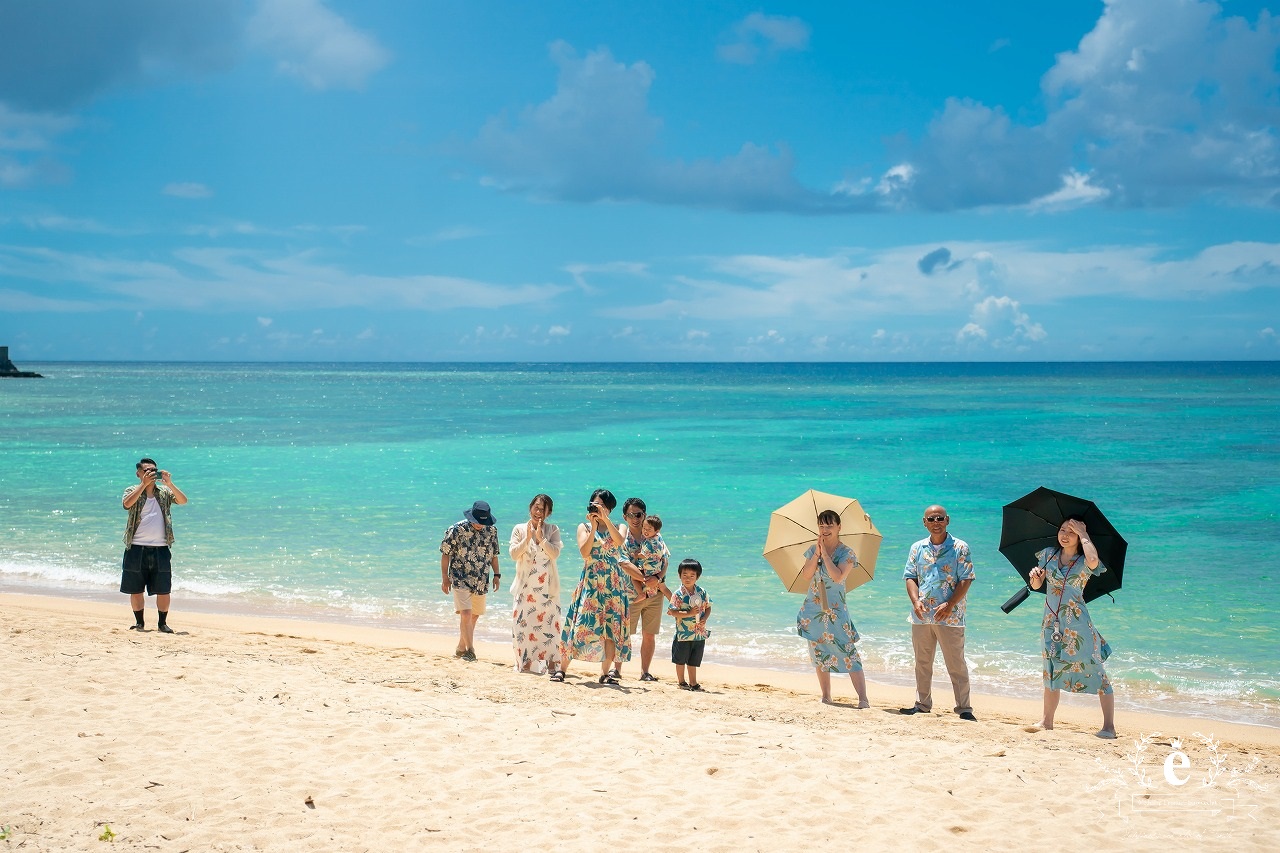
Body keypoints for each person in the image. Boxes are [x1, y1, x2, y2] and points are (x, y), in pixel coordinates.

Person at [1028, 518, 1117, 739]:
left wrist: (1084, 533)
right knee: (1050, 669)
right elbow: (1037, 586)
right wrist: (1035, 578)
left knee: (1095, 668)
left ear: (1080, 537)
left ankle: (1109, 727)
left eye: (1071, 532)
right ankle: (1047, 721)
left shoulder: (1085, 560)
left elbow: (1095, 561)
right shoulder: (1048, 554)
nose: (1065, 535)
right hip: (1051, 622)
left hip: (1077, 624)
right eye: (1062, 530)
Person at [900, 505, 977, 721]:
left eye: (940, 518)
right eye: (931, 519)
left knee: (956, 663)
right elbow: (910, 577)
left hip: (950, 616)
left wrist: (950, 604)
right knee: (922, 662)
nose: (936, 522)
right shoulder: (917, 548)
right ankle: (922, 704)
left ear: (947, 520)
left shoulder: (960, 547)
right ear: (924, 522)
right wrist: (915, 602)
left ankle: (964, 708)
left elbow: (966, 578)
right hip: (922, 615)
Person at [560, 489, 644, 684]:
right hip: (590, 582)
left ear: (609, 509)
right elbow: (585, 552)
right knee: (578, 625)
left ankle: (605, 674)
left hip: (613, 584)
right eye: (595, 504)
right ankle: (562, 669)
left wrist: (604, 521)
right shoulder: (584, 527)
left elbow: (619, 541)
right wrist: (593, 525)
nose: (597, 508)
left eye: (602, 506)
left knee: (611, 630)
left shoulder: (619, 526)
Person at [796, 510, 870, 707]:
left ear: (839, 527)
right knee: (819, 652)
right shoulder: (813, 549)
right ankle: (826, 696)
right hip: (814, 608)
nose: (825, 529)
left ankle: (863, 698)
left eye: (829, 526)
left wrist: (826, 557)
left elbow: (838, 577)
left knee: (848, 650)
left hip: (836, 610)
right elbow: (806, 575)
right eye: (821, 526)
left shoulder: (847, 553)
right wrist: (817, 554)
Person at [120, 457, 187, 633]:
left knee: (164, 589)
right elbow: (127, 504)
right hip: (135, 546)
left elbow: (182, 500)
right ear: (139, 473)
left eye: (153, 470)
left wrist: (170, 483)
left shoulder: (164, 492)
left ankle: (162, 623)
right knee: (136, 588)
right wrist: (143, 485)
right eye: (147, 470)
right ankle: (139, 623)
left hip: (161, 547)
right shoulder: (132, 490)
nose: (151, 473)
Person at [508, 494, 565, 680]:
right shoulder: (519, 529)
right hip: (525, 586)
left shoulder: (552, 529)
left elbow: (555, 554)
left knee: (550, 625)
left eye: (543, 509)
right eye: (536, 507)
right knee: (521, 623)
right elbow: (513, 554)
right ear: (530, 507)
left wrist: (541, 539)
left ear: (549, 513)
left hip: (547, 587)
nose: (538, 512)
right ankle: (523, 662)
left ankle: (550, 664)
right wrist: (528, 539)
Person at [616, 497, 670, 682]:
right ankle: (616, 670)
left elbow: (666, 559)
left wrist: (658, 578)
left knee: (649, 634)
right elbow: (624, 563)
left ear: (644, 515)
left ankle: (645, 672)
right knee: (624, 633)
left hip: (655, 593)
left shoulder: (655, 535)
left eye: (638, 514)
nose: (635, 518)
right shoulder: (623, 538)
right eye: (631, 515)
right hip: (631, 593)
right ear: (625, 517)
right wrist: (647, 580)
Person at [440, 500, 500, 662]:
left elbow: (494, 555)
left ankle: (461, 647)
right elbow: (446, 554)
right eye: (478, 521)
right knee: (465, 614)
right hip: (460, 577)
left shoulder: (491, 531)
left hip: (481, 578)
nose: (480, 525)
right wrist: (445, 578)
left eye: (483, 522)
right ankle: (470, 650)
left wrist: (497, 575)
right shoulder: (456, 530)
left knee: (474, 615)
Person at [667, 558, 712, 691]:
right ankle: (681, 682)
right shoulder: (677, 594)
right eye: (684, 575)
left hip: (698, 633)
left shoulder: (702, 592)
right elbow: (672, 611)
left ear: (697, 577)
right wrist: (689, 613)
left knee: (694, 660)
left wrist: (705, 617)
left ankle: (693, 682)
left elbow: (708, 607)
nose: (688, 578)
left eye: (692, 576)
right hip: (683, 633)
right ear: (679, 575)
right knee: (680, 660)